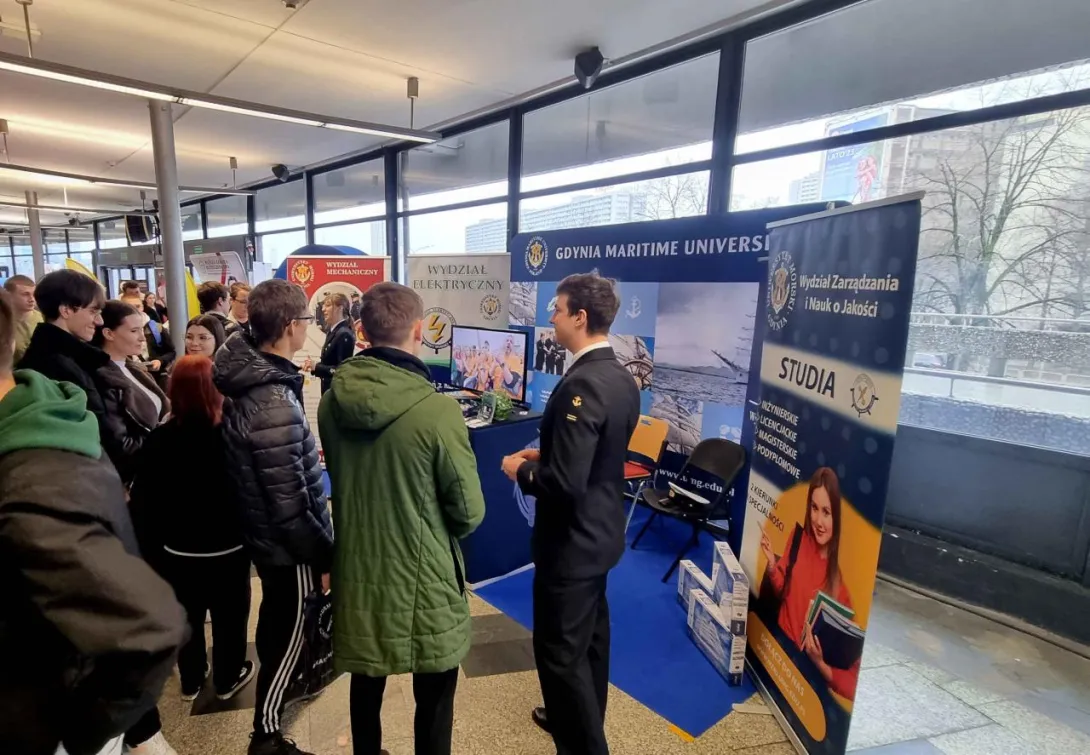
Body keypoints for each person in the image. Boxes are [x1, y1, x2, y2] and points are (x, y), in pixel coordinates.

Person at [0, 289, 186, 755]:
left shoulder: (32, 470)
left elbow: (147, 628)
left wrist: (71, 735)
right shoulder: (59, 412)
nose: (99, 321)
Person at [319, 282, 485, 755]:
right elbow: (468, 511)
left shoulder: (333, 403)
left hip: (357, 567)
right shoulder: (438, 412)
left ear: (362, 331)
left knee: (365, 680)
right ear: (418, 330)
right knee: (434, 694)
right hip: (424, 575)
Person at [501, 273, 640, 755]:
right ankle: (575, 719)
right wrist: (548, 455)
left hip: (571, 545)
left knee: (561, 656)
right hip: (601, 534)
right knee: (590, 642)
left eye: (556, 310)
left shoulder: (582, 384)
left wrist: (519, 469)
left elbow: (564, 484)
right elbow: (599, 455)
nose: (551, 318)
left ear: (580, 317)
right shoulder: (620, 377)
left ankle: (583, 742)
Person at [213, 279, 333, 755]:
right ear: (288, 326)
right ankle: (266, 734)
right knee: (290, 634)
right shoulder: (273, 402)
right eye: (306, 320)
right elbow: (290, 502)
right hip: (287, 546)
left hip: (267, 535)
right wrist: (323, 553)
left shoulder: (256, 376)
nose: (308, 327)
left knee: (277, 620)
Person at [130, 356, 255, 703]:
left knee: (187, 617)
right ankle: (228, 678)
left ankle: (191, 678)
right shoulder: (233, 435)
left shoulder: (159, 440)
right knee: (230, 618)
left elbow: (144, 503)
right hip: (229, 549)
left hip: (178, 551)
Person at [759, 467, 859, 700]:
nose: (818, 521)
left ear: (837, 517)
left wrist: (821, 664)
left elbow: (852, 681)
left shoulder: (840, 589)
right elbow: (782, 591)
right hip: (776, 654)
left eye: (827, 512)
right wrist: (772, 566)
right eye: (814, 508)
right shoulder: (797, 539)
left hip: (802, 681)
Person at [91, 301, 170, 488]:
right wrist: (163, 437)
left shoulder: (132, 367)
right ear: (109, 333)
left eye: (141, 329)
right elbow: (119, 445)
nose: (142, 338)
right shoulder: (101, 378)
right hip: (136, 478)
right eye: (134, 331)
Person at [18, 269, 108, 423]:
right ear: (66, 310)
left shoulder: (62, 357)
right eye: (93, 311)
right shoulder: (54, 365)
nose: (100, 321)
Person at [305, 292, 355, 395]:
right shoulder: (333, 332)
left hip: (337, 395)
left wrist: (317, 367)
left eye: (328, 305)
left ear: (340, 308)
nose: (323, 309)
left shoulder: (344, 334)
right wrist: (313, 366)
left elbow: (342, 372)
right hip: (329, 392)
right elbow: (330, 364)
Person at [4, 274, 42, 365]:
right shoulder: (3, 322)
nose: (32, 299)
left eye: (34, 294)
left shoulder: (44, 318)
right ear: (9, 295)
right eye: (25, 294)